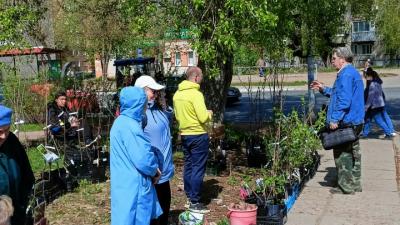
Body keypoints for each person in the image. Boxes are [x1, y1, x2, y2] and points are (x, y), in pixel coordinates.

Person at [310, 47, 364, 195]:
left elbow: (344, 100)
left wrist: (335, 119)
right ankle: (355, 184)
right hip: (356, 120)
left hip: (346, 121)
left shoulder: (345, 75)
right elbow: (338, 94)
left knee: (343, 155)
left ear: (342, 59)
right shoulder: (351, 72)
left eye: (333, 59)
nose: (332, 61)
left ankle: (345, 187)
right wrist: (323, 89)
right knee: (354, 153)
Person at [110, 86, 162, 225]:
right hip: (134, 184)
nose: (146, 106)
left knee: (124, 215)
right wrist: (154, 170)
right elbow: (143, 159)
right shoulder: (131, 127)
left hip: (123, 180)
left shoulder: (120, 121)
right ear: (138, 103)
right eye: (144, 102)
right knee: (135, 218)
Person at [134, 75, 175, 225]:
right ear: (141, 92)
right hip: (153, 173)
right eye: (152, 91)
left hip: (164, 171)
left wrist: (165, 106)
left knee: (164, 207)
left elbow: (167, 124)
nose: (156, 94)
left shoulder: (158, 108)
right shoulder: (139, 114)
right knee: (153, 214)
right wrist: (150, 168)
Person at [173, 67, 212, 212]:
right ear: (195, 77)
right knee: (198, 167)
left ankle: (189, 196)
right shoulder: (196, 94)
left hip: (185, 134)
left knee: (188, 165)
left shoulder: (177, 94)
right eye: (201, 76)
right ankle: (195, 202)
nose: (202, 78)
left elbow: (177, 116)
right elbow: (202, 117)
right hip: (198, 134)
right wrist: (209, 113)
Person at [0, 105, 35, 225]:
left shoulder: (12, 141)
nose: (3, 136)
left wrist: (25, 197)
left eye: (7, 130)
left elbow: (26, 172)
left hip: (16, 206)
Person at [362, 68, 396, 138]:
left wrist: (366, 107)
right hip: (379, 104)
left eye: (367, 76)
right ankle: (365, 134)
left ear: (370, 76)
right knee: (368, 119)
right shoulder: (377, 83)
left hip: (374, 106)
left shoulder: (372, 85)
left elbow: (370, 98)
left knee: (378, 120)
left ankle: (388, 133)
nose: (366, 77)